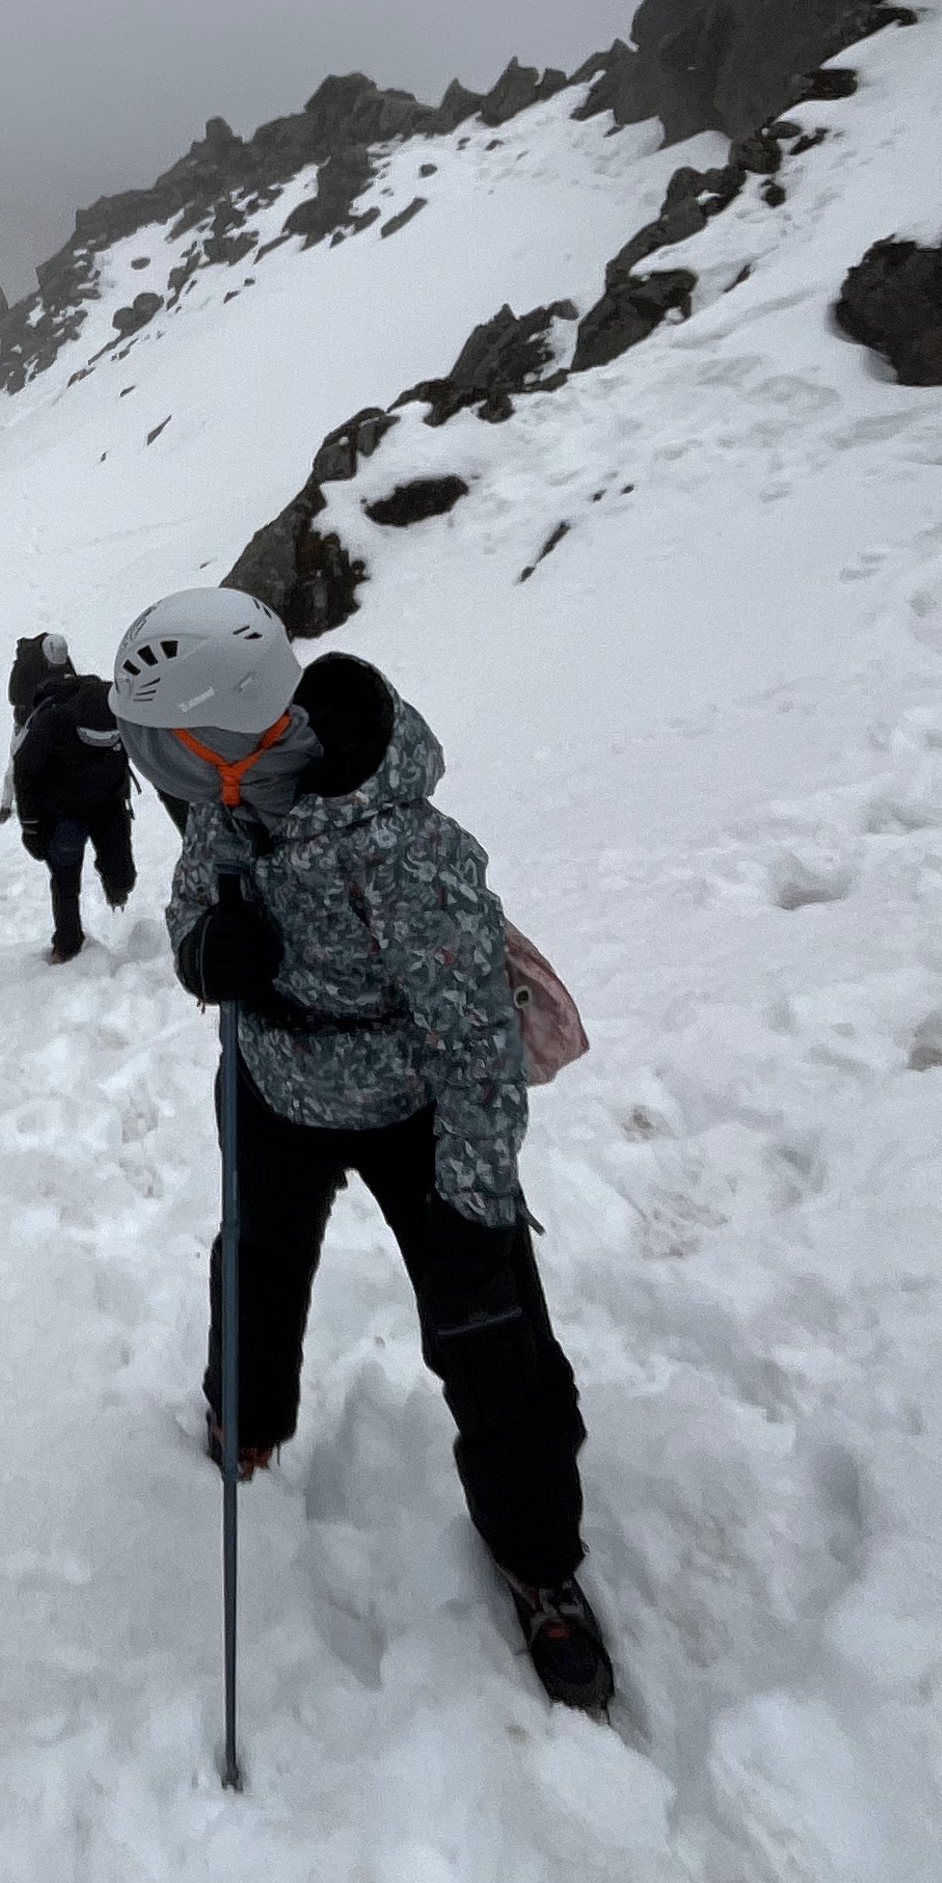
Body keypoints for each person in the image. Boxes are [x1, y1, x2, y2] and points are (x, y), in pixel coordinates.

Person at [110, 583, 614, 1714]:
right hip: (274, 1083)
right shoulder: (229, 798)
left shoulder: (405, 852)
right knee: (256, 1260)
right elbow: (192, 898)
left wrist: (477, 1201)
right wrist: (204, 951)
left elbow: (475, 1041)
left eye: (160, 743)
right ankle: (245, 1416)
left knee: (490, 1328)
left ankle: (539, 1558)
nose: (153, 768)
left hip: (414, 1106)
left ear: (218, 732)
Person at [10, 630, 136, 965]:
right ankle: (67, 944)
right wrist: (32, 827)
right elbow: (25, 774)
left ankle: (117, 886)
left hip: (107, 803)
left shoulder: (123, 717)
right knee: (66, 879)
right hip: (60, 810)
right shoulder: (50, 725)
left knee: (122, 872)